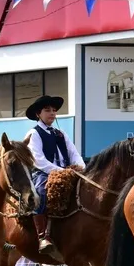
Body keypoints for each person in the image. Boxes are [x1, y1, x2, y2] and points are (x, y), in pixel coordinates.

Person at [24, 94, 84, 256]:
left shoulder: (60, 134)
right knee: (40, 193)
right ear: (38, 114)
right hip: (42, 173)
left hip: (66, 171)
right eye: (47, 110)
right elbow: (38, 160)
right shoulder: (34, 133)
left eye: (54, 110)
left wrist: (81, 169)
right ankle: (43, 236)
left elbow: (74, 153)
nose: (52, 113)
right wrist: (59, 172)